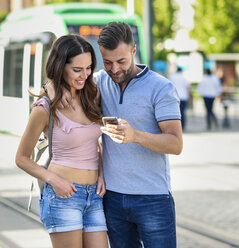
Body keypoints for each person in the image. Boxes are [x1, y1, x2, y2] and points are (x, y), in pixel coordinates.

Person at [49, 22, 183, 248]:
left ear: (133, 51)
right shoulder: (100, 82)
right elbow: (66, 85)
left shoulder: (161, 88)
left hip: (153, 198)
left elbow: (175, 144)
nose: (115, 69)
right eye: (108, 62)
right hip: (112, 199)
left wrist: (135, 136)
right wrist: (48, 92)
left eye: (121, 61)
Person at [15, 34, 108, 248]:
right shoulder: (45, 108)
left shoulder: (92, 96)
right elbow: (21, 158)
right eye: (77, 70)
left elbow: (96, 144)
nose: (84, 75)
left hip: (93, 196)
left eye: (88, 68)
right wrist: (53, 180)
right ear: (60, 66)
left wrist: (102, 172)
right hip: (63, 196)